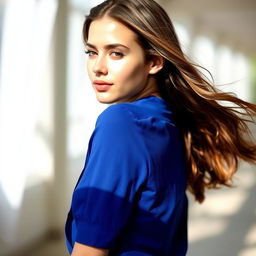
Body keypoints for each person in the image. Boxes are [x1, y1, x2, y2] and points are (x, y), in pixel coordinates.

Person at [65, 0, 256, 255]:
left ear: (154, 61)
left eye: (116, 53)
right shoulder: (168, 120)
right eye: (91, 52)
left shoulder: (122, 123)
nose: (98, 67)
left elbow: (92, 247)